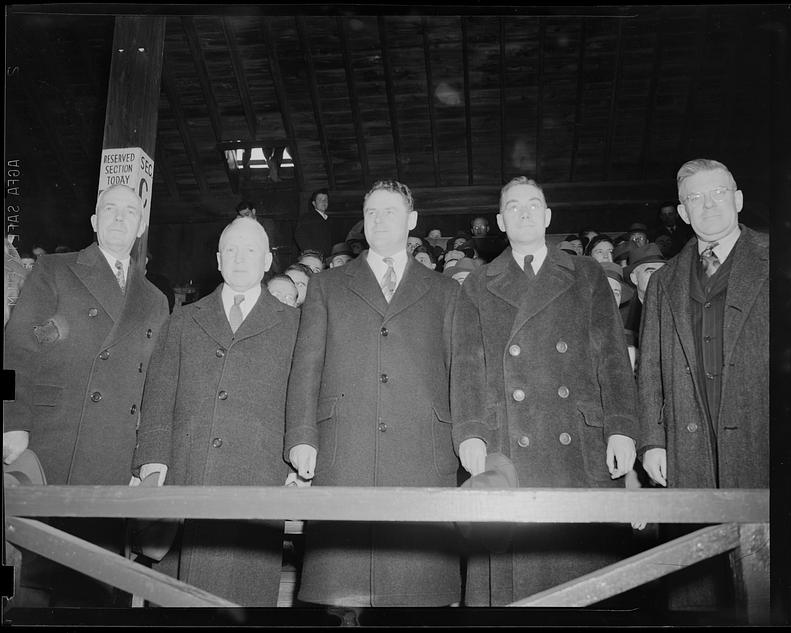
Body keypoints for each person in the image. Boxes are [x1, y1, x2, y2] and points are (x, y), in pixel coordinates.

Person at [450, 176, 638, 606]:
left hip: (578, 441)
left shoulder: (586, 273)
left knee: (581, 585)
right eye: (513, 207)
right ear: (501, 220)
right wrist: (470, 433)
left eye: (533, 205)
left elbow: (612, 357)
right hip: (508, 447)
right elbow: (466, 367)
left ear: (548, 215)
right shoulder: (478, 284)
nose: (524, 213)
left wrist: (622, 427)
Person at [285, 179, 462, 608]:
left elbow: (463, 374)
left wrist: (469, 438)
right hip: (345, 454)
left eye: (390, 211)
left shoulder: (447, 291)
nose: (379, 219)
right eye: (371, 212)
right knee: (340, 605)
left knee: (417, 603)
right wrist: (301, 436)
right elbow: (307, 368)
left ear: (412, 221)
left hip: (422, 456)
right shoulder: (327, 286)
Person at [3, 184, 169, 606]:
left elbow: (157, 386)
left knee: (94, 587)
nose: (118, 217)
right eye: (109, 209)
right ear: (94, 222)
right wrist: (11, 421)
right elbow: (15, 351)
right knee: (31, 582)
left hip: (110, 459)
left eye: (129, 211)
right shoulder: (55, 270)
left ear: (141, 225)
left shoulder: (155, 300)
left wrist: (145, 458)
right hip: (49, 443)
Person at [132, 216, 300, 606]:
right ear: (218, 260)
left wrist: (296, 466)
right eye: (231, 250)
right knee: (177, 604)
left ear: (266, 261)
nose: (240, 258)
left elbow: (303, 401)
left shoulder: (294, 325)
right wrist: (153, 462)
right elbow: (158, 395)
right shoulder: (183, 320)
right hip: (185, 476)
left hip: (258, 483)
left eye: (251, 250)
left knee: (243, 603)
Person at [638, 158, 769, 612]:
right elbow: (650, 369)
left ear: (737, 199)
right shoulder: (665, 281)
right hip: (691, 448)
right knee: (700, 590)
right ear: (683, 212)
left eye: (717, 192)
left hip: (765, 442)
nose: (708, 204)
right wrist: (653, 442)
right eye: (696, 198)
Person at [621, 243, 667, 349]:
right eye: (650, 271)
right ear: (634, 278)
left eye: (662, 271)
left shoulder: (679, 310)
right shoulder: (622, 318)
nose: (658, 277)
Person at [294, 188, 333, 257]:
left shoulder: (329, 220)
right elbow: (300, 236)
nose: (324, 202)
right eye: (320, 199)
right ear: (314, 203)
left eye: (325, 199)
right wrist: (312, 255)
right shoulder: (306, 218)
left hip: (328, 259)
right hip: (314, 259)